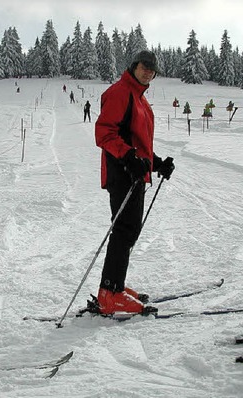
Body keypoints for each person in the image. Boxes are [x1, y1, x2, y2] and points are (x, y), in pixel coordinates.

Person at [95, 50, 175, 315]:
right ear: (134, 67)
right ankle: (110, 293)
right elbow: (104, 133)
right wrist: (128, 157)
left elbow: (137, 144)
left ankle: (115, 285)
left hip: (134, 173)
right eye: (144, 67)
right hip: (121, 173)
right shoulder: (120, 92)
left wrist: (156, 162)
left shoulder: (140, 99)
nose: (148, 72)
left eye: (153, 69)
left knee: (129, 231)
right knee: (123, 229)